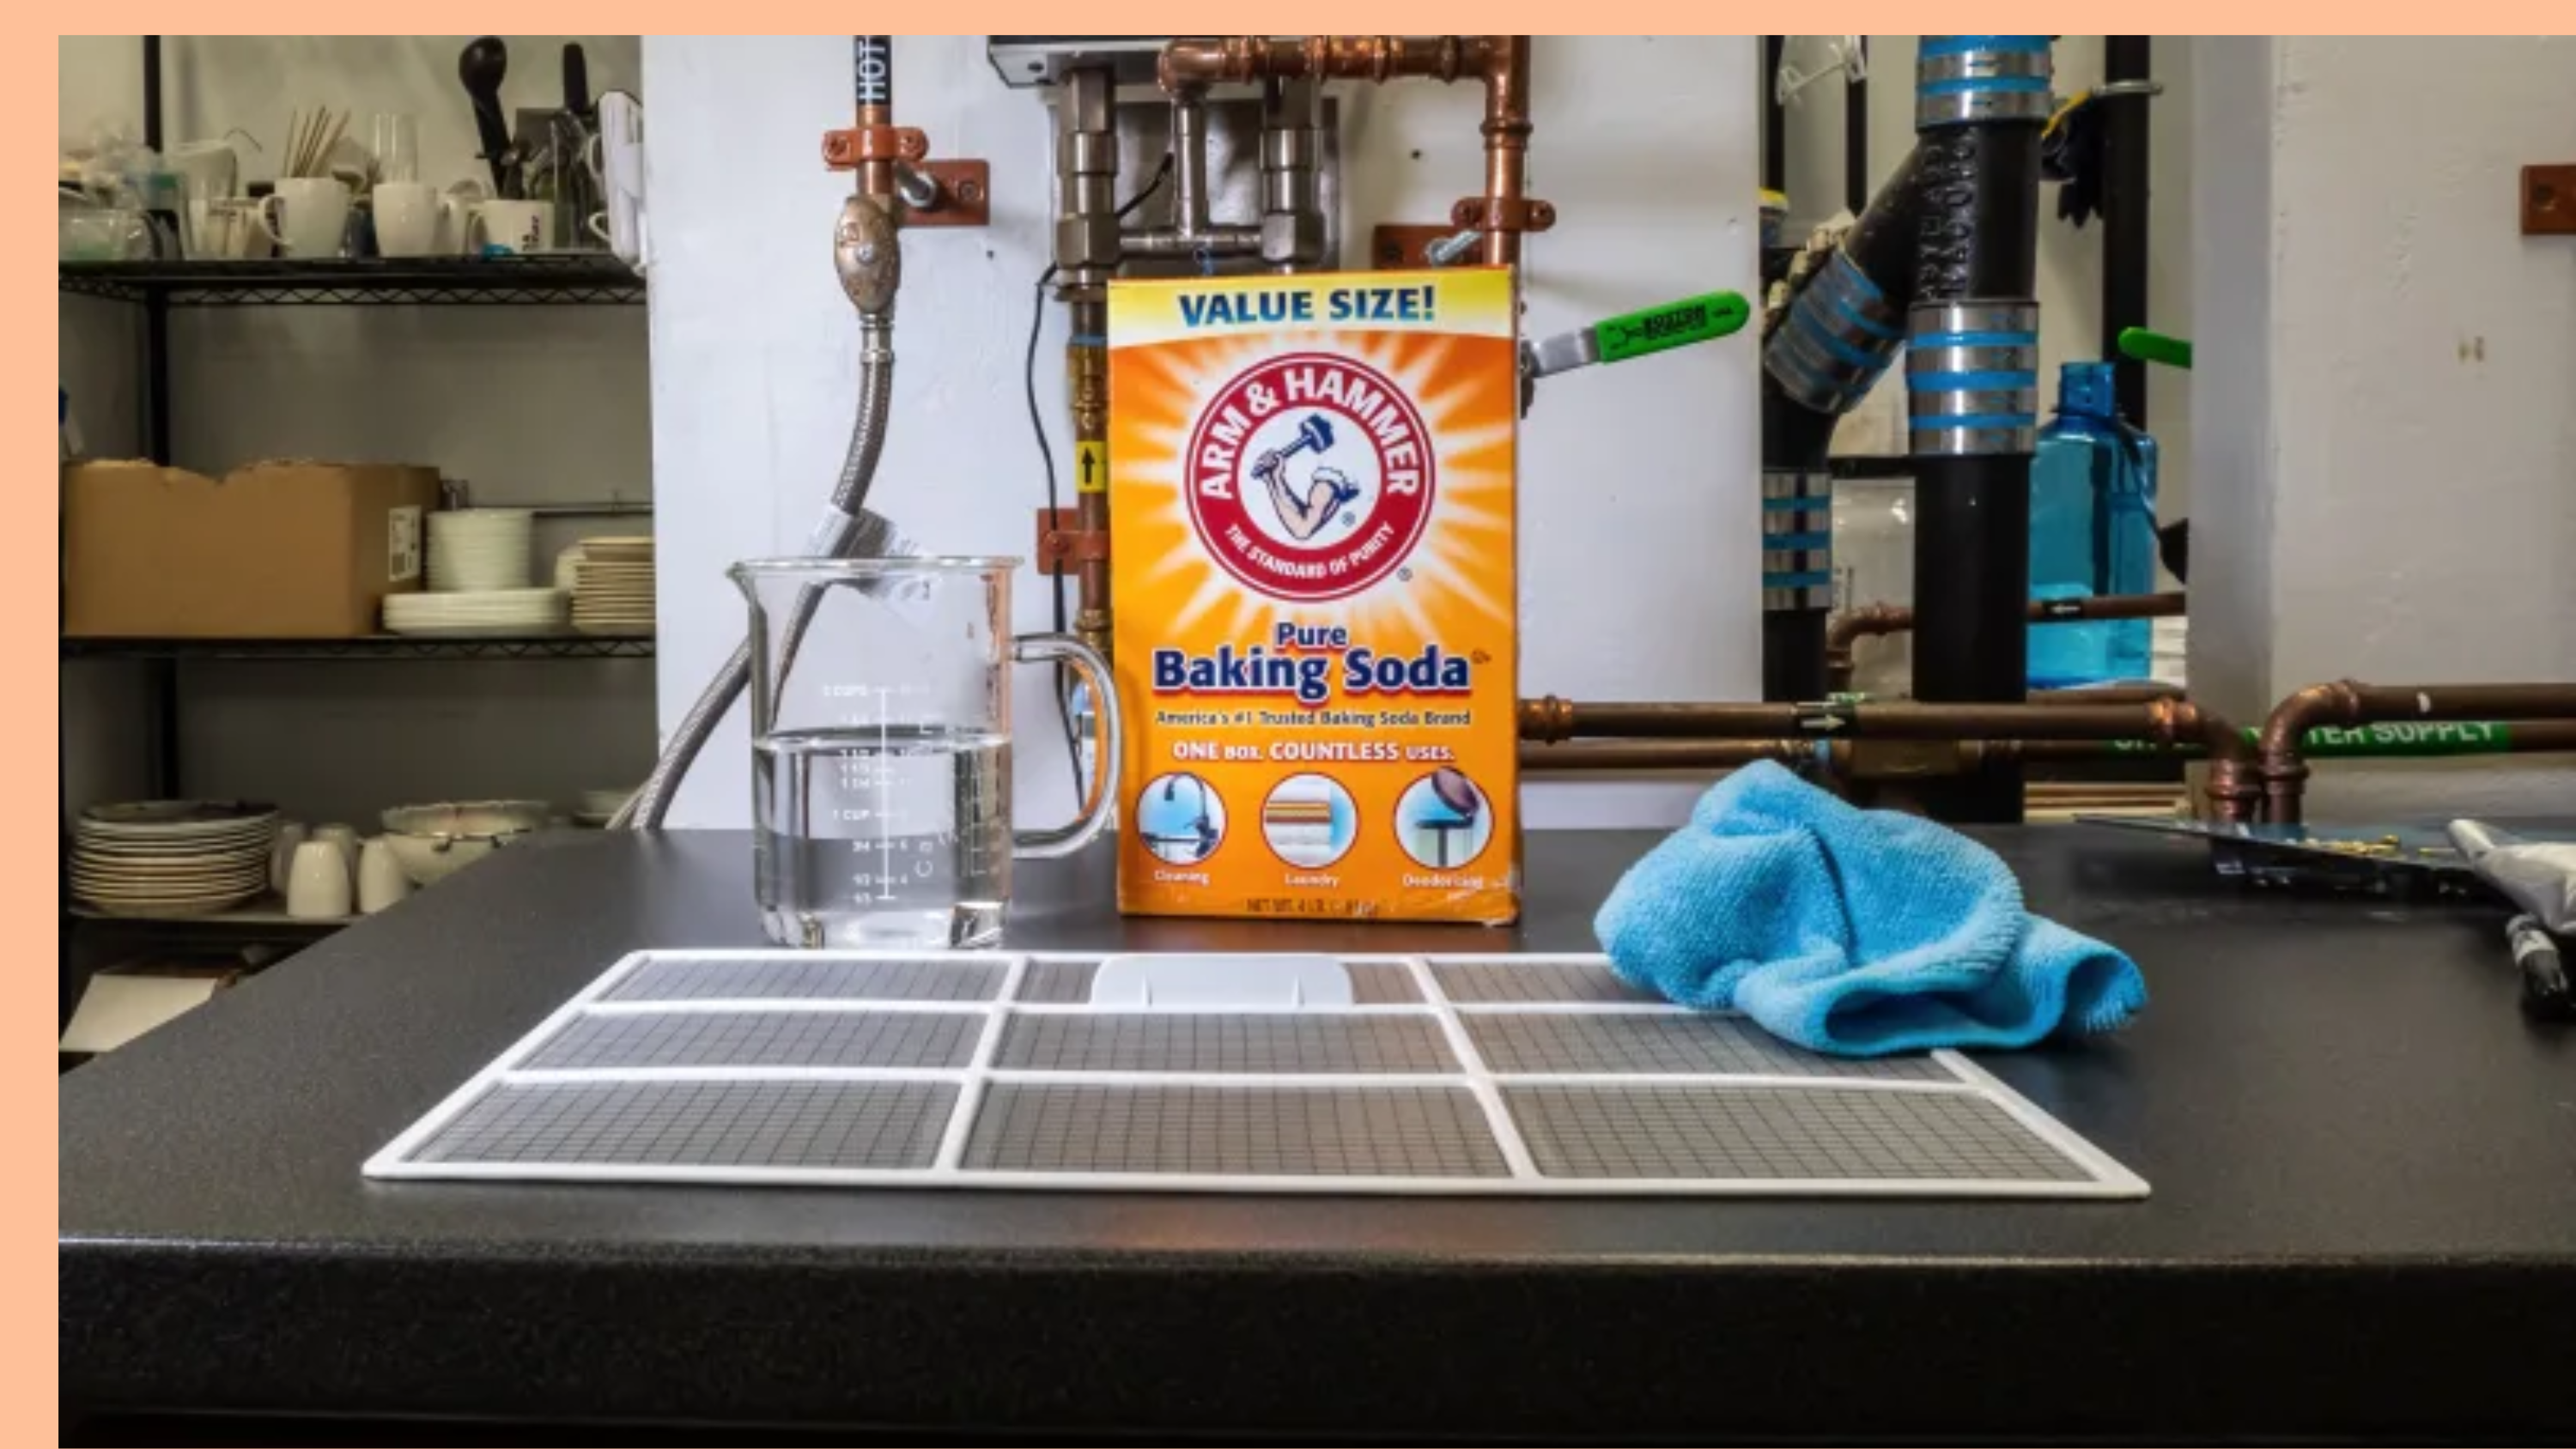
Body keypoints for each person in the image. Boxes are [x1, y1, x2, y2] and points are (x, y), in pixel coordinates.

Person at [1253, 453, 1363, 543]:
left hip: (1338, 474)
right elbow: (1299, 517)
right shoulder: (1330, 487)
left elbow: (1302, 530)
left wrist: (1275, 480)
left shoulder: (1329, 483)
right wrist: (1272, 481)